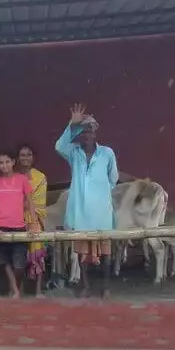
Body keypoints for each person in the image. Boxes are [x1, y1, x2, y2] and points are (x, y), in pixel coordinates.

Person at [54, 103, 118, 298]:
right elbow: (59, 146)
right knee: (82, 254)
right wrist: (72, 125)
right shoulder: (73, 152)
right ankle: (86, 285)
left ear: (95, 133)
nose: (87, 135)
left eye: (90, 131)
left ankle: (106, 287)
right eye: (83, 131)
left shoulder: (107, 153)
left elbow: (113, 178)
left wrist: (99, 194)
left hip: (101, 211)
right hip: (80, 210)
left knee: (106, 253)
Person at [0, 149, 35, 298]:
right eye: (1, 163)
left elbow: (30, 202)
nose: (4, 165)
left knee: (19, 265)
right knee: (5, 261)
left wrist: (33, 223)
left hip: (19, 227)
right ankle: (15, 290)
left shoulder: (22, 179)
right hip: (1, 227)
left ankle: (15, 287)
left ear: (13, 162)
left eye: (7, 162)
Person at [17, 144, 48, 296]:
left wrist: (25, 206)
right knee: (19, 255)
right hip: (16, 221)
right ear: (17, 158)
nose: (25, 158)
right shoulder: (13, 176)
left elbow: (40, 203)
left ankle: (38, 291)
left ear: (33, 157)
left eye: (28, 154)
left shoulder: (41, 177)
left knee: (38, 255)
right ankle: (19, 289)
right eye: (22, 155)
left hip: (35, 221)